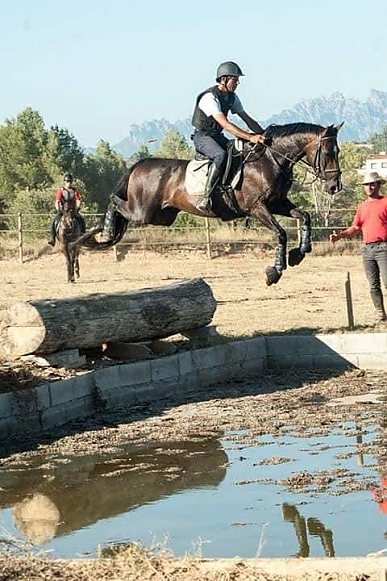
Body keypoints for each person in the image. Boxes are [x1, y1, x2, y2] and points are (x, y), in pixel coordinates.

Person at [191, 61, 266, 212]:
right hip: (202, 137)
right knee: (221, 155)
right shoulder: (209, 97)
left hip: (217, 136)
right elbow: (225, 124)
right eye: (235, 78)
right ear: (224, 79)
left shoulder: (232, 97)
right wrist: (250, 137)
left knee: (240, 153)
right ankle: (206, 196)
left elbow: (247, 118)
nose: (238, 82)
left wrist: (263, 134)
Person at [329, 171, 387, 322]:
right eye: (367, 185)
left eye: (372, 184)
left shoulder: (385, 202)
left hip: (383, 247)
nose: (369, 187)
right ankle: (380, 313)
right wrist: (340, 235)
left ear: (378, 185)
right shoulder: (362, 207)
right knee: (373, 284)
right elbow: (355, 227)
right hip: (367, 249)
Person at [48, 173, 86, 246]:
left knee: (81, 219)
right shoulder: (61, 190)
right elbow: (57, 201)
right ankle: (52, 238)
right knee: (54, 221)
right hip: (63, 210)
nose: (69, 183)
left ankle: (83, 237)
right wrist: (58, 209)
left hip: (72, 210)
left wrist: (77, 208)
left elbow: (78, 199)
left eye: (70, 181)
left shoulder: (74, 190)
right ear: (64, 182)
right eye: (67, 181)